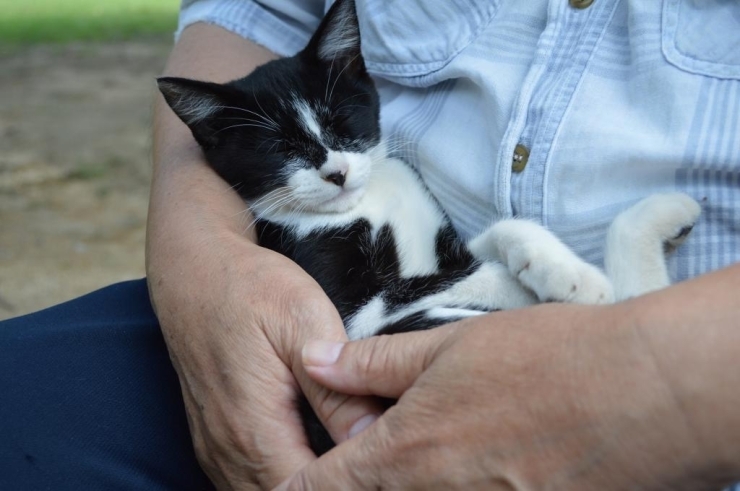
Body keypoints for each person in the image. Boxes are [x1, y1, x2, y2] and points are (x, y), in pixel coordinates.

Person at [1, 0, 738, 490]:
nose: (331, 165)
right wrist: (202, 257)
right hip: (291, 318)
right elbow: (252, 9)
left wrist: (654, 381)